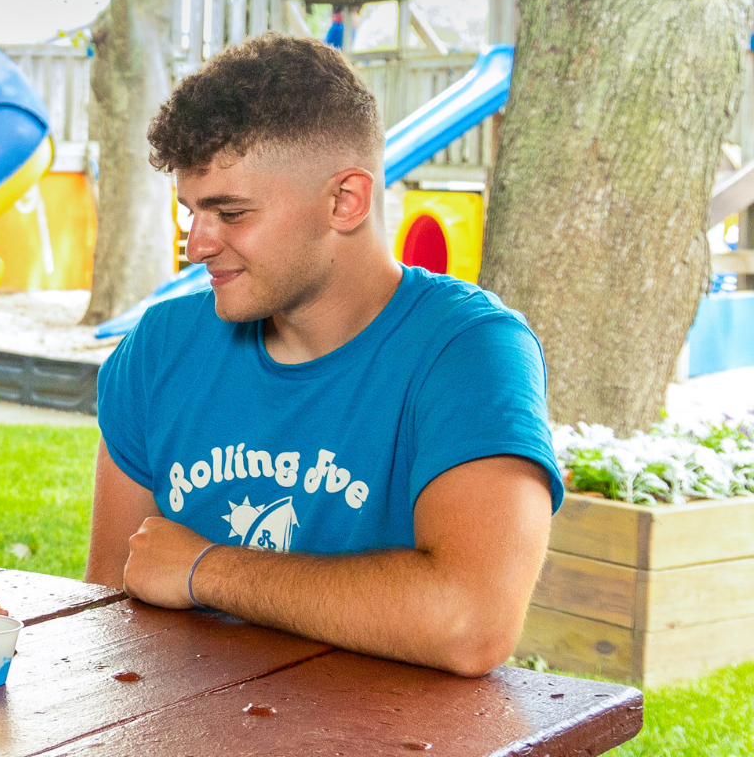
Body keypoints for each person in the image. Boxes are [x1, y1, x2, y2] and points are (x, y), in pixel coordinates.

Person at [84, 34, 561, 677]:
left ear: (345, 201)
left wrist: (205, 569)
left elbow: (469, 621)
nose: (197, 245)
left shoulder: (470, 350)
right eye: (192, 212)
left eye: (231, 212)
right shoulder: (161, 344)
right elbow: (112, 600)